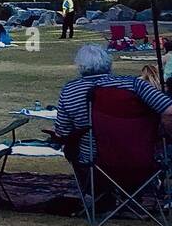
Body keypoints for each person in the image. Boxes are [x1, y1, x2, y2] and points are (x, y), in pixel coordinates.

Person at [50, 43, 172, 185]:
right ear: (109, 63)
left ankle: (96, 196)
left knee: (72, 149)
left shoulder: (70, 91)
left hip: (95, 165)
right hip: (142, 159)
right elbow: (169, 111)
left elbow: (63, 133)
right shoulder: (135, 85)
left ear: (80, 66)